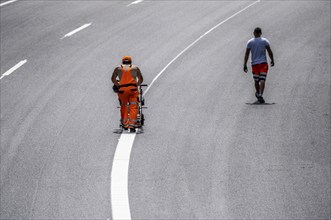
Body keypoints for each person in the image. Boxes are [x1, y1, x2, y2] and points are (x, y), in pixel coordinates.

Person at [112, 56, 143, 132]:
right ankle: (132, 125)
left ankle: (125, 124)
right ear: (130, 62)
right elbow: (141, 79)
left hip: (122, 90)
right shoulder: (135, 68)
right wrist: (137, 84)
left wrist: (118, 85)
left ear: (122, 62)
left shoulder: (118, 68)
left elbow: (113, 79)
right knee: (133, 106)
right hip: (133, 90)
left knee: (124, 106)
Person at [244, 27, 274, 103]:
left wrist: (244, 64)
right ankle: (260, 94)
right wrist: (272, 60)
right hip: (263, 63)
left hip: (254, 64)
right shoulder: (265, 41)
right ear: (261, 33)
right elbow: (269, 51)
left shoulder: (250, 42)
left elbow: (247, 54)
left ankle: (258, 93)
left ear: (254, 33)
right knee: (262, 80)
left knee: (256, 80)